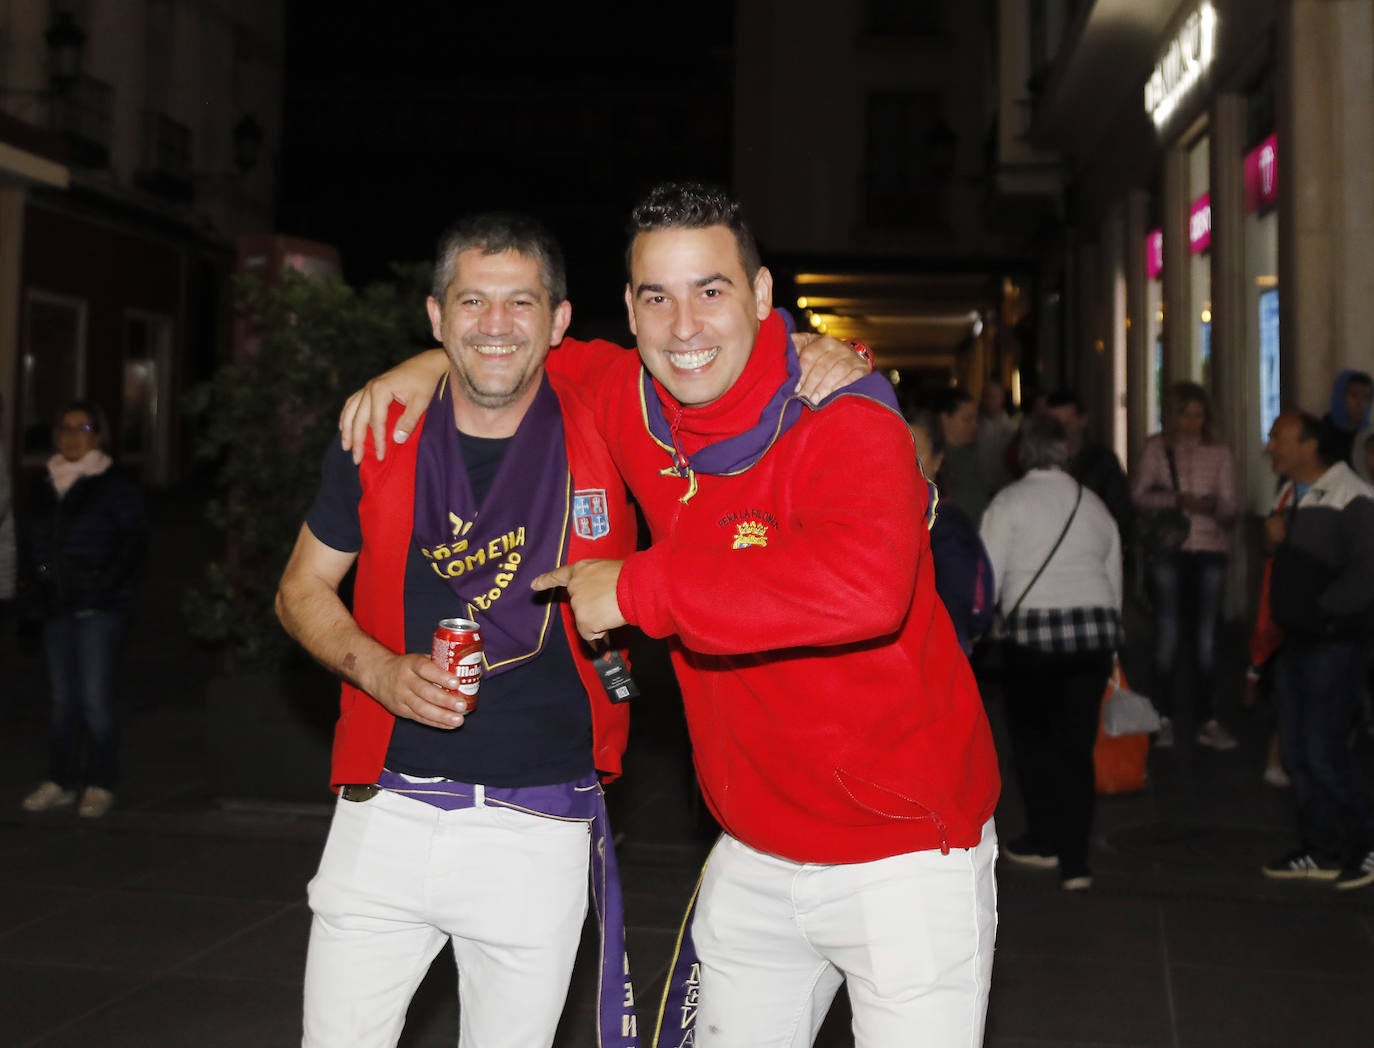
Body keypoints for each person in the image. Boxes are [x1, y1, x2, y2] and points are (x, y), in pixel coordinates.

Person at [348, 182, 1001, 1048]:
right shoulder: (633, 398)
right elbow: (522, 343)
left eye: (712, 290)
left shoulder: (846, 419)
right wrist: (420, 365)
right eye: (657, 296)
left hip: (905, 859)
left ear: (764, 296)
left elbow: (866, 588)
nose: (684, 324)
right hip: (753, 851)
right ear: (630, 308)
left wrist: (633, 588)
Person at [275, 213, 646, 1048]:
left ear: (558, 323)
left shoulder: (607, 423)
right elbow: (301, 588)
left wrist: (832, 357)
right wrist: (375, 671)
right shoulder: (380, 435)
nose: (496, 325)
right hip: (385, 817)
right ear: (437, 318)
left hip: (539, 824)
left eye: (521, 304)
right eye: (472, 302)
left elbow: (714, 364)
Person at [980, 414, 1122, 891]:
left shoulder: (1009, 502)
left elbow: (989, 576)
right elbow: (1114, 575)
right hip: (1093, 637)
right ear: (1066, 453)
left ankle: (1044, 838)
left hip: (1034, 640)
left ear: (1023, 453)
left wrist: (982, 626)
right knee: (1076, 749)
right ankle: (1075, 861)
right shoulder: (1094, 504)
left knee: (1034, 746)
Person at [1259, 412, 1374, 890]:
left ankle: (1366, 844)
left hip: (1333, 644)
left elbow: (1365, 574)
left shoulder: (1352, 495)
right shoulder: (1295, 495)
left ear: (1310, 446)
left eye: (1279, 437)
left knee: (1325, 751)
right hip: (1299, 643)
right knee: (1301, 753)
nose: (1271, 447)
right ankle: (1322, 848)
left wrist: (1324, 616)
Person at [18, 400, 145, 819]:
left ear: (98, 435)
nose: (73, 437)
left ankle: (100, 781)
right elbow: (31, 542)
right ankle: (60, 779)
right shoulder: (44, 484)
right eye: (65, 428)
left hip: (99, 608)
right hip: (55, 607)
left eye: (82, 428)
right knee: (61, 700)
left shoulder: (113, 483)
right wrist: (34, 586)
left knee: (95, 698)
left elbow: (131, 545)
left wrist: (100, 588)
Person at [1129, 381, 1237, 751]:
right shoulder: (1157, 449)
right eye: (1186, 414)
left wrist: (1212, 506)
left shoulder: (1219, 453)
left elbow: (1231, 505)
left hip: (1209, 548)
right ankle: (1163, 717)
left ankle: (1207, 718)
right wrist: (1177, 499)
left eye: (1198, 415)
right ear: (1173, 416)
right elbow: (1139, 495)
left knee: (1206, 639)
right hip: (1169, 550)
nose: (1193, 422)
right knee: (1168, 635)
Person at [908, 407, 994, 654]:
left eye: (917, 455)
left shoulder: (946, 525)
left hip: (937, 660)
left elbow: (956, 606)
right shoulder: (880, 519)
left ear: (937, 460)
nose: (905, 462)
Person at [1046, 389, 1133, 551]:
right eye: (1055, 426)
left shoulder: (1103, 462)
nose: (1061, 433)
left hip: (1092, 549)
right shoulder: (1042, 464)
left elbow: (1119, 513)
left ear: (1082, 420)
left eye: (1067, 424)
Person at [934, 385, 994, 527]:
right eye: (967, 420)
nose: (974, 425)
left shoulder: (973, 455)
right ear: (945, 419)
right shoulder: (934, 459)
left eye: (975, 419)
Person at [1320, 368, 1372, 467]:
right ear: (1340, 396)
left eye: (1367, 397)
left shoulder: (1368, 436)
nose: (1361, 403)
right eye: (1354, 395)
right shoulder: (1321, 434)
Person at [975, 380, 1017, 493]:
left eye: (993, 397)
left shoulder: (1012, 428)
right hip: (979, 488)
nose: (989, 401)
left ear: (1002, 398)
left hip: (1005, 487)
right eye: (986, 396)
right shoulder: (974, 426)